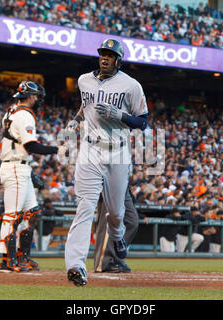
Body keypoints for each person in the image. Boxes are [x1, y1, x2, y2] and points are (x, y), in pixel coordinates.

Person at [64, 38, 149, 286]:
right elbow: (85, 106)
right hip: (89, 149)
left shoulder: (131, 85)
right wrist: (75, 121)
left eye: (110, 55)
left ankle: (118, 235)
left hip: (118, 152)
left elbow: (143, 122)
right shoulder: (83, 80)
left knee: (115, 212)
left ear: (118, 60)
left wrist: (120, 115)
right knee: (85, 208)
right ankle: (76, 265)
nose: (105, 57)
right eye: (102, 53)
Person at [0, 81, 66, 272]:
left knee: (32, 213)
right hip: (15, 168)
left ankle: (22, 257)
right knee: (12, 215)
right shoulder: (25, 115)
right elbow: (32, 147)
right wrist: (57, 149)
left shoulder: (12, 110)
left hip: (19, 166)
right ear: (32, 96)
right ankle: (7, 260)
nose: (38, 100)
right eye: (37, 96)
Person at [94, 186, 139, 273]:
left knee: (132, 221)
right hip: (108, 184)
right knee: (109, 220)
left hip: (123, 184)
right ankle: (104, 262)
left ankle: (116, 258)